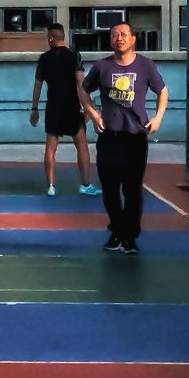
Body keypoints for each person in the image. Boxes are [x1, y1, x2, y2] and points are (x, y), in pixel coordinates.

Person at [78, 22, 168, 254]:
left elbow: (162, 91)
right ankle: (117, 231)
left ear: (133, 38)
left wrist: (158, 117)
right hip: (110, 137)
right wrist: (93, 113)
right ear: (110, 39)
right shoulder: (102, 66)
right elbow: (83, 90)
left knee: (132, 189)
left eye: (124, 34)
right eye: (115, 35)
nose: (119, 38)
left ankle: (130, 236)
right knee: (110, 189)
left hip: (135, 137)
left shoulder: (145, 66)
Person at [29, 23, 101, 197]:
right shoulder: (74, 56)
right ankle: (85, 184)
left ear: (52, 38)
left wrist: (34, 108)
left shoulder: (44, 58)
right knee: (82, 147)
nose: (48, 40)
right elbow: (81, 83)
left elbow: (37, 85)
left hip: (53, 108)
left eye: (48, 37)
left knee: (50, 149)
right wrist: (88, 107)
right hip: (72, 108)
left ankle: (51, 186)